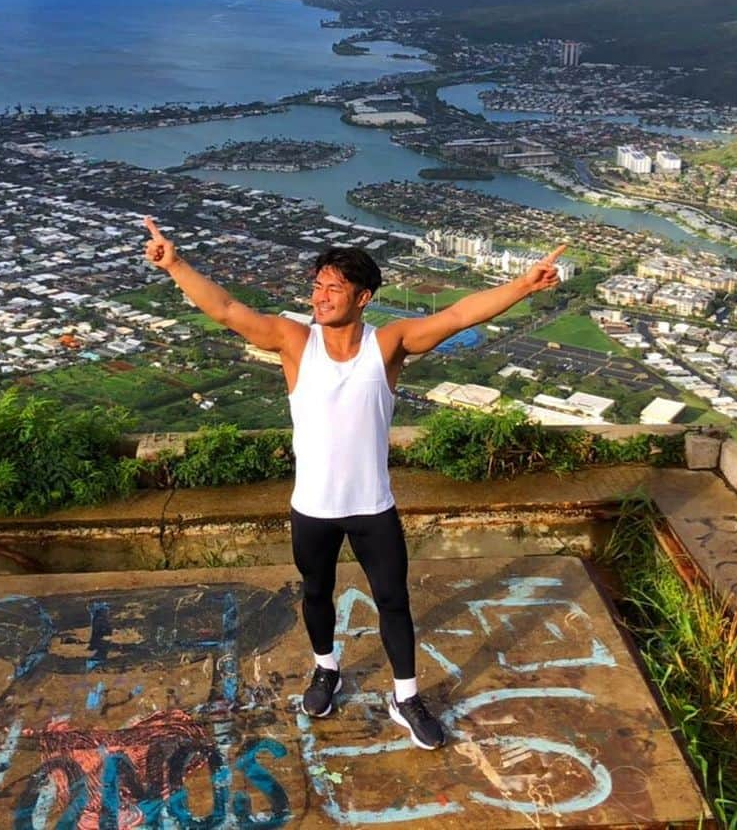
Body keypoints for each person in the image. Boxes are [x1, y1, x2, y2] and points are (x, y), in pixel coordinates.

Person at [143, 216, 565, 749]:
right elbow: (227, 310)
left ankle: (406, 697)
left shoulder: (387, 345)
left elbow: (459, 314)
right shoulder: (295, 342)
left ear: (363, 297)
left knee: (393, 601)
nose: (320, 296)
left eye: (333, 288)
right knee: (316, 592)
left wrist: (524, 285)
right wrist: (175, 263)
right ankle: (326, 669)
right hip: (312, 507)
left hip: (372, 507)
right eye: (317, 286)